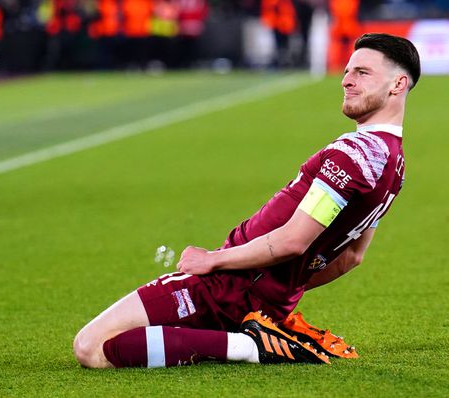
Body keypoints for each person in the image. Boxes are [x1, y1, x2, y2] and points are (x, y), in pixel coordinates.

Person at [73, 32, 421, 368]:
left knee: (92, 346)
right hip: (266, 301)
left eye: (362, 72)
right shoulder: (395, 166)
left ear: (397, 84)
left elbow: (293, 240)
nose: (346, 81)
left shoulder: (354, 155)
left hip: (228, 285)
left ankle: (250, 345)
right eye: (347, 71)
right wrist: (280, 292)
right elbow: (351, 258)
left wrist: (214, 260)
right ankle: (254, 335)